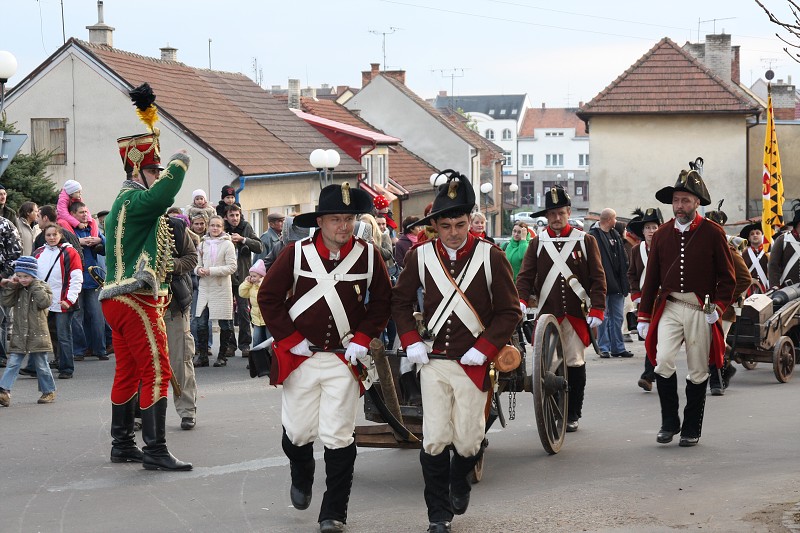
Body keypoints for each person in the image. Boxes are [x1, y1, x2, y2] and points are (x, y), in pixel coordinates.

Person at [258, 183, 391, 533]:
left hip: (343, 359)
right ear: (320, 221)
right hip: (300, 357)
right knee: (298, 432)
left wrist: (363, 339)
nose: (343, 227)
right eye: (336, 219)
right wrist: (290, 339)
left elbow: (381, 302)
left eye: (348, 219)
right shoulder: (295, 253)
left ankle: (334, 513)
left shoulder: (368, 254)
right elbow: (268, 297)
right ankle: (301, 472)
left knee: (338, 435)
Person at [392, 171, 521, 533]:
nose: (453, 232)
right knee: (434, 438)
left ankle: (460, 479)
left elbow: (510, 311)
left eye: (460, 224)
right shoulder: (419, 256)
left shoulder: (491, 256)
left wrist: (485, 348)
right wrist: (410, 340)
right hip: (433, 362)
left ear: (470, 222)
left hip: (473, 363)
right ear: (435, 225)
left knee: (468, 440)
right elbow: (400, 302)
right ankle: (438, 515)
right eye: (445, 225)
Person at [100, 82, 192, 471]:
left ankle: (122, 443)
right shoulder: (136, 200)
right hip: (135, 299)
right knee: (157, 370)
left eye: (159, 168)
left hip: (115, 299)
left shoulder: (123, 201)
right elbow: (163, 196)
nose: (158, 174)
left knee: (129, 372)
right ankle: (155, 449)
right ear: (138, 168)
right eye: (152, 168)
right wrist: (179, 162)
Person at [637, 165, 735, 447]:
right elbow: (652, 277)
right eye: (676, 200)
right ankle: (669, 422)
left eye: (686, 201)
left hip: (700, 309)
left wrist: (717, 306)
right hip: (670, 306)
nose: (679, 206)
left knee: (697, 370)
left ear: (697, 203)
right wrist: (644, 315)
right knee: (662, 362)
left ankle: (692, 428)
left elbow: (727, 278)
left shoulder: (713, 233)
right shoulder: (663, 233)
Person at [516, 184, 606, 433]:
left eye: (561, 213)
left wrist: (598, 309)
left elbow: (598, 278)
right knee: (549, 367)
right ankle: (556, 407)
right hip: (548, 315)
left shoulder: (585, 241)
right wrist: (521, 300)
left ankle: (573, 412)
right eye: (552, 214)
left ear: (568, 212)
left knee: (575, 363)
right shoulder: (537, 243)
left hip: (576, 315)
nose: (556, 219)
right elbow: (525, 276)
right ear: (547, 216)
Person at [0, 256, 56, 407]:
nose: (23, 279)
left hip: (38, 334)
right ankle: (4, 391)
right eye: (20, 276)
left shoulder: (42, 286)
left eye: (26, 276)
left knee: (41, 364)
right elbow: (6, 301)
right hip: (19, 334)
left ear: (34, 274)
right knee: (13, 363)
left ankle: (48, 391)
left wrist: (35, 285)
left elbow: (45, 302)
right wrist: (11, 286)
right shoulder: (17, 288)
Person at [163, 214, 199, 429]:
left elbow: (191, 258)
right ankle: (140, 413)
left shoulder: (174, 226)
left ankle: (187, 410)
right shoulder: (130, 225)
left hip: (174, 304)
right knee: (143, 362)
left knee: (180, 360)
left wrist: (170, 265)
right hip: (142, 303)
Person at [33, 224, 82, 379]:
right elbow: (33, 276)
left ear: (60, 235)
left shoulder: (70, 252)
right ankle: (43, 365)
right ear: (44, 236)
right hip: (43, 302)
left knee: (63, 335)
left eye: (55, 234)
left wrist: (69, 299)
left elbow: (76, 278)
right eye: (48, 235)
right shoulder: (39, 252)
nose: (52, 238)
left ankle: (67, 368)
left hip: (63, 302)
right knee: (43, 335)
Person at [627, 207, 664, 391]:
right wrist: (636, 296)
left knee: (661, 337)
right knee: (650, 337)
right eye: (648, 227)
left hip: (664, 300)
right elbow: (632, 274)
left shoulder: (666, 248)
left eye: (654, 227)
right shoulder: (636, 250)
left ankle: (651, 374)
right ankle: (650, 373)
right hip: (644, 301)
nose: (651, 231)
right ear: (642, 231)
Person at [194, 215, 237, 367]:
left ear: (222, 228)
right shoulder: (203, 243)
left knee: (225, 324)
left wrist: (211, 271)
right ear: (208, 226)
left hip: (221, 287)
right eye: (212, 225)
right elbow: (197, 264)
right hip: (205, 287)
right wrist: (198, 270)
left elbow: (232, 267)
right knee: (200, 323)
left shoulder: (228, 244)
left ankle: (222, 356)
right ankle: (203, 356)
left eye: (218, 226)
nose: (215, 228)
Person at [589, 208, 632, 358]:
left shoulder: (615, 234)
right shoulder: (593, 236)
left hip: (618, 284)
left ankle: (618, 348)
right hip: (602, 285)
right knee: (603, 317)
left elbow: (623, 258)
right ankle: (604, 348)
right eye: (614, 218)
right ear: (608, 220)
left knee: (618, 317)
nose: (616, 221)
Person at [69, 201, 108, 361]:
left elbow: (107, 247)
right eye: (81, 212)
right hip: (75, 279)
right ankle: (79, 350)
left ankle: (100, 349)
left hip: (93, 279)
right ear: (72, 215)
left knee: (97, 316)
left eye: (86, 211)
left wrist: (100, 241)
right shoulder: (69, 230)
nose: (85, 215)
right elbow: (62, 245)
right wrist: (79, 242)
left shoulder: (93, 229)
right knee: (77, 317)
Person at [224, 203, 263, 358]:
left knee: (243, 312)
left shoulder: (246, 227)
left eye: (237, 215)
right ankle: (230, 345)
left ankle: (245, 344)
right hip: (226, 278)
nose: (234, 218)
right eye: (231, 215)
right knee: (227, 314)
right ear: (226, 217)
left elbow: (259, 246)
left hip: (243, 277)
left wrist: (243, 239)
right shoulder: (222, 228)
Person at [238, 259, 267, 365]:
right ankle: (255, 362)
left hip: (267, 318)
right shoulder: (251, 286)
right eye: (251, 276)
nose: (252, 278)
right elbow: (242, 293)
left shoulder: (266, 284)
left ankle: (270, 361)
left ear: (261, 276)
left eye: (254, 276)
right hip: (256, 318)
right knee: (257, 341)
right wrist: (247, 282)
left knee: (268, 341)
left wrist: (260, 283)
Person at [740, 222, 768, 292]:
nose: (755, 235)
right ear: (749, 238)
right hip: (750, 289)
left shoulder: (768, 252)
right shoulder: (744, 254)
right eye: (752, 234)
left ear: (762, 236)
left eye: (757, 233)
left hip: (766, 287)